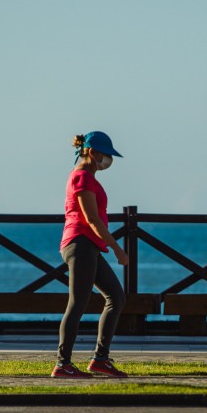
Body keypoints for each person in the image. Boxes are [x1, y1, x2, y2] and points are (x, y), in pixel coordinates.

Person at [51, 131, 129, 378]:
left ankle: (100, 359)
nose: (108, 160)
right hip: (80, 243)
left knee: (116, 296)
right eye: (106, 155)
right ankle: (63, 364)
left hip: (89, 246)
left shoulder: (88, 177)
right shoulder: (82, 177)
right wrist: (118, 249)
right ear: (92, 152)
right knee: (77, 303)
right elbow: (92, 219)